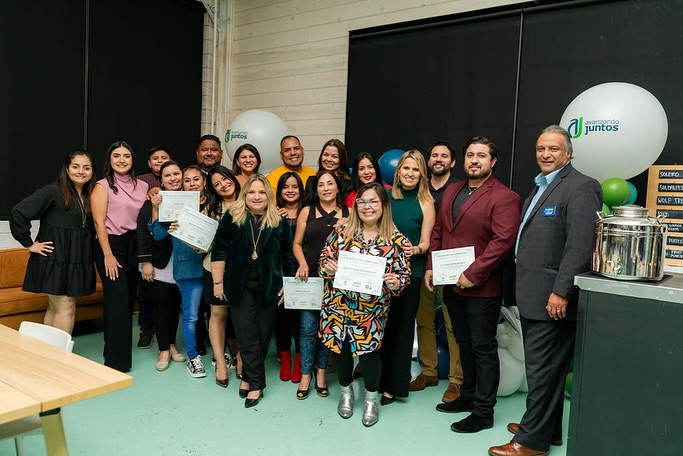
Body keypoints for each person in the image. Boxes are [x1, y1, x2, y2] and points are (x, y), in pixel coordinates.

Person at [489, 126, 602, 456]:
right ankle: (546, 430)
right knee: (546, 370)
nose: (546, 154)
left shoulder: (582, 186)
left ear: (569, 153)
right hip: (533, 295)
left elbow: (580, 245)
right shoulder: (540, 187)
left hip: (553, 298)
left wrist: (562, 291)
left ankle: (530, 442)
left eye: (553, 148)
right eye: (541, 148)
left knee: (541, 371)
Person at [425, 136, 521, 433]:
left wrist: (473, 273)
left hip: (483, 288)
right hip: (451, 285)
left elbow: (502, 242)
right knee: (463, 343)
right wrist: (431, 267)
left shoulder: (505, 197)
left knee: (482, 348)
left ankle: (483, 411)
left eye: (481, 155)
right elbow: (440, 230)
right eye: (470, 155)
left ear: (493, 161)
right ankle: (467, 396)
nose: (474, 160)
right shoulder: (453, 190)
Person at [319, 182, 410, 427]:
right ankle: (346, 392)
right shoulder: (342, 231)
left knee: (369, 355)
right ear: (356, 205)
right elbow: (324, 258)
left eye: (373, 201)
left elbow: (403, 276)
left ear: (384, 205)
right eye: (362, 201)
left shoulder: (396, 240)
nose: (367, 207)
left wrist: (395, 282)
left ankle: (371, 399)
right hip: (337, 307)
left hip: (371, 312)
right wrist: (328, 267)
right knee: (339, 350)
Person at [211, 174, 296, 408]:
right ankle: (257, 384)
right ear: (244, 194)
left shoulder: (279, 220)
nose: (256, 196)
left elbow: (288, 256)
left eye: (261, 192)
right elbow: (219, 250)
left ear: (268, 195)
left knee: (262, 335)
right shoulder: (232, 217)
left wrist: (288, 284)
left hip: (270, 286)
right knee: (246, 335)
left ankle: (248, 377)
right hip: (239, 286)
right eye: (251, 192)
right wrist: (217, 282)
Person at [9, 150, 97, 334]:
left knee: (56, 307)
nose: (81, 171)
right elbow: (17, 213)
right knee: (67, 307)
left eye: (86, 168)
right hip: (54, 259)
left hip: (75, 260)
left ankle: (48, 349)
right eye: (75, 166)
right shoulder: (53, 190)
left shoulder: (91, 195)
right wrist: (29, 243)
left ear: (92, 172)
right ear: (67, 168)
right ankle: (60, 351)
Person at [410, 140, 465, 404]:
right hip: (422, 263)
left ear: (452, 162)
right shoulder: (420, 189)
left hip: (449, 263)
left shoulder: (460, 190)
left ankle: (457, 380)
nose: (438, 159)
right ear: (428, 160)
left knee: (453, 324)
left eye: (444, 156)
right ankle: (429, 372)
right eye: (434, 155)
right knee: (424, 320)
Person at [380, 150, 435, 405]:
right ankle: (377, 379)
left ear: (421, 174)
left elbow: (426, 241)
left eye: (415, 170)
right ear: (398, 171)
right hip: (381, 272)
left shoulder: (426, 202)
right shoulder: (386, 197)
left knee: (402, 330)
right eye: (406, 168)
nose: (410, 174)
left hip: (410, 273)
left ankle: (394, 386)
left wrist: (416, 249)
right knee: (381, 328)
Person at [91, 141, 149, 372]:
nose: (122, 160)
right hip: (111, 245)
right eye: (117, 155)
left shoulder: (143, 186)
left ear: (133, 159)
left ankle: (115, 350)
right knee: (117, 299)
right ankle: (116, 362)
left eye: (126, 155)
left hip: (134, 244)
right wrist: (107, 254)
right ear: (110, 159)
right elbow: (98, 223)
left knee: (127, 301)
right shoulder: (102, 186)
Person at [292, 170, 349, 400]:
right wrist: (303, 263)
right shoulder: (307, 211)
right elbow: (297, 243)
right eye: (321, 185)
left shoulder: (348, 213)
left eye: (330, 183)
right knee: (307, 329)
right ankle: (306, 374)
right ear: (316, 190)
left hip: (336, 282)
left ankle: (322, 373)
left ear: (337, 187)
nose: (326, 188)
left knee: (328, 329)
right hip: (310, 279)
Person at [149, 165, 209, 379]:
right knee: (191, 316)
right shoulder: (174, 204)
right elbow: (157, 235)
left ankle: (223, 354)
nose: (192, 184)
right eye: (187, 180)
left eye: (196, 179)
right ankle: (193, 358)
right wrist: (156, 209)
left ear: (204, 182)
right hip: (188, 268)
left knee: (219, 315)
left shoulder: (215, 203)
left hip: (215, 268)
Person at [137, 161, 185, 371]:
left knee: (175, 307)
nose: (173, 178)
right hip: (159, 263)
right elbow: (142, 233)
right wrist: (146, 262)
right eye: (168, 175)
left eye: (176, 174)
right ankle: (163, 349)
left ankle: (172, 345)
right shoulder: (152, 202)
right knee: (161, 306)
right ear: (161, 180)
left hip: (183, 263)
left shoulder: (190, 199)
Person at [204, 165, 242, 387]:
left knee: (242, 315)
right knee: (217, 315)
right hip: (214, 269)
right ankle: (220, 361)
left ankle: (241, 357)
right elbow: (202, 244)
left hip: (244, 269)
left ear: (233, 179)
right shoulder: (209, 210)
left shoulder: (251, 201)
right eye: (217, 184)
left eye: (225, 179)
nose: (223, 185)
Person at [136, 145, 171, 350]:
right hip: (149, 246)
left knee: (166, 299)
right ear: (149, 163)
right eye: (155, 158)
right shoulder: (140, 183)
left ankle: (166, 338)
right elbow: (142, 228)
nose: (159, 161)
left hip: (170, 251)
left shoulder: (180, 188)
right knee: (146, 294)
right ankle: (146, 331)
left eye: (164, 157)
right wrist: (145, 260)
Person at [274, 172, 305, 383]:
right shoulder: (274, 212)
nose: (290, 190)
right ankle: (284, 357)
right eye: (286, 187)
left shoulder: (308, 212)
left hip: (302, 273)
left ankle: (300, 360)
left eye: (294, 186)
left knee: (301, 320)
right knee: (281, 318)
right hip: (279, 272)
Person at [303, 138, 352, 204]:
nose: (329, 159)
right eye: (326, 155)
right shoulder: (311, 180)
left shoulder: (348, 184)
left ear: (342, 159)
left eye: (334, 156)